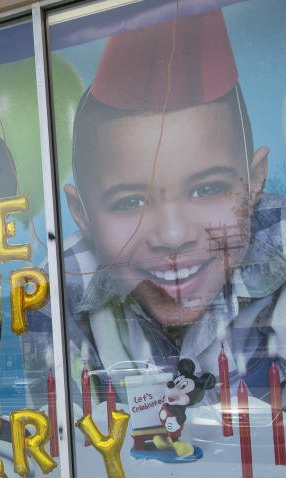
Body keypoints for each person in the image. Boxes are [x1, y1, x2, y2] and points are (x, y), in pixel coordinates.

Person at [40, 9, 285, 407]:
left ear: (255, 182)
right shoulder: (59, 288)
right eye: (131, 202)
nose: (172, 234)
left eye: (207, 189)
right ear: (81, 214)